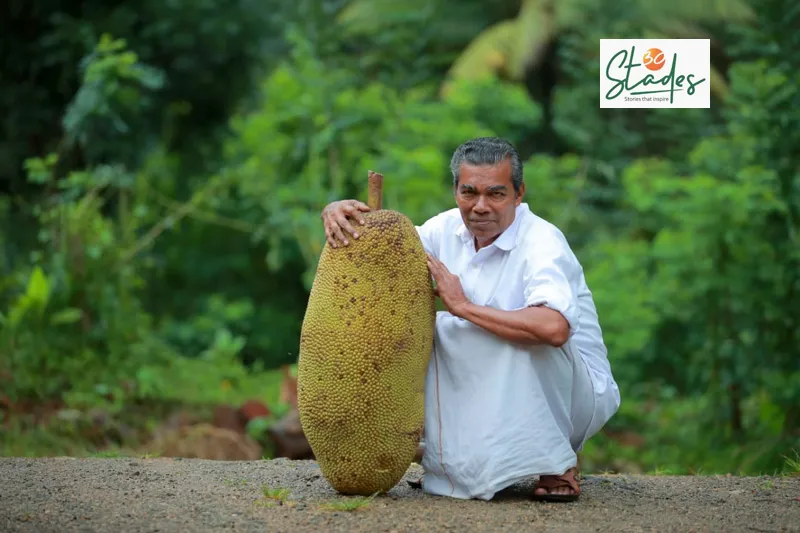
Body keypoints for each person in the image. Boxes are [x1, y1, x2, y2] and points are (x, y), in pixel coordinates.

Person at [319, 136, 620, 502]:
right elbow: (381, 253)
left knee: (494, 332)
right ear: (455, 191)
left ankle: (557, 463)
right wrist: (337, 212)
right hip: (496, 383)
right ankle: (450, 462)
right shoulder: (442, 230)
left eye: (496, 194)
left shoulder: (543, 242)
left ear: (519, 193)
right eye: (469, 193)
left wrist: (462, 306)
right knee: (438, 329)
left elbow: (554, 329)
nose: (480, 207)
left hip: (574, 388)